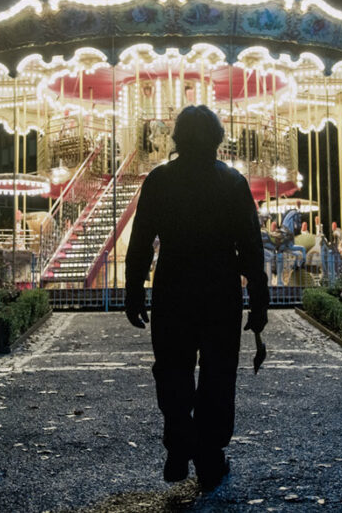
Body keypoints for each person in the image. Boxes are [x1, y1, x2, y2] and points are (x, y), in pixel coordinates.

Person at [125, 104, 269, 492]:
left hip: (173, 284)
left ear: (177, 138)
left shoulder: (159, 180)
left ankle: (179, 442)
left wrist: (134, 289)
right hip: (220, 287)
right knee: (218, 373)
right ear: (219, 139)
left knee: (172, 368)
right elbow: (252, 249)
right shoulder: (233, 183)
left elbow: (141, 242)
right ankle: (209, 456)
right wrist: (258, 299)